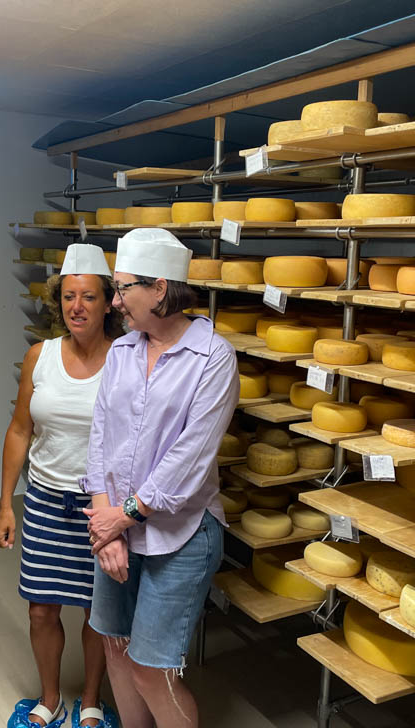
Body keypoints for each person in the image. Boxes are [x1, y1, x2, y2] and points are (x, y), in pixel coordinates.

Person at [80, 228, 239, 728]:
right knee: (116, 647)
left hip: (181, 534)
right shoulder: (123, 351)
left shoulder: (214, 357)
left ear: (162, 289)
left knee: (151, 671)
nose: (115, 300)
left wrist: (119, 520)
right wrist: (107, 525)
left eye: (124, 288)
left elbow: (189, 460)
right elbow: (100, 437)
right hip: (116, 523)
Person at [0, 243, 124, 728]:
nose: (77, 307)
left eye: (88, 297)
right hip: (47, 500)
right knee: (42, 611)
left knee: (98, 612)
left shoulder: (126, 358)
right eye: (69, 297)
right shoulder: (40, 356)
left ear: (108, 301)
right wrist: (6, 503)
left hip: (102, 506)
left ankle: (90, 699)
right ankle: (49, 698)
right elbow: (19, 430)